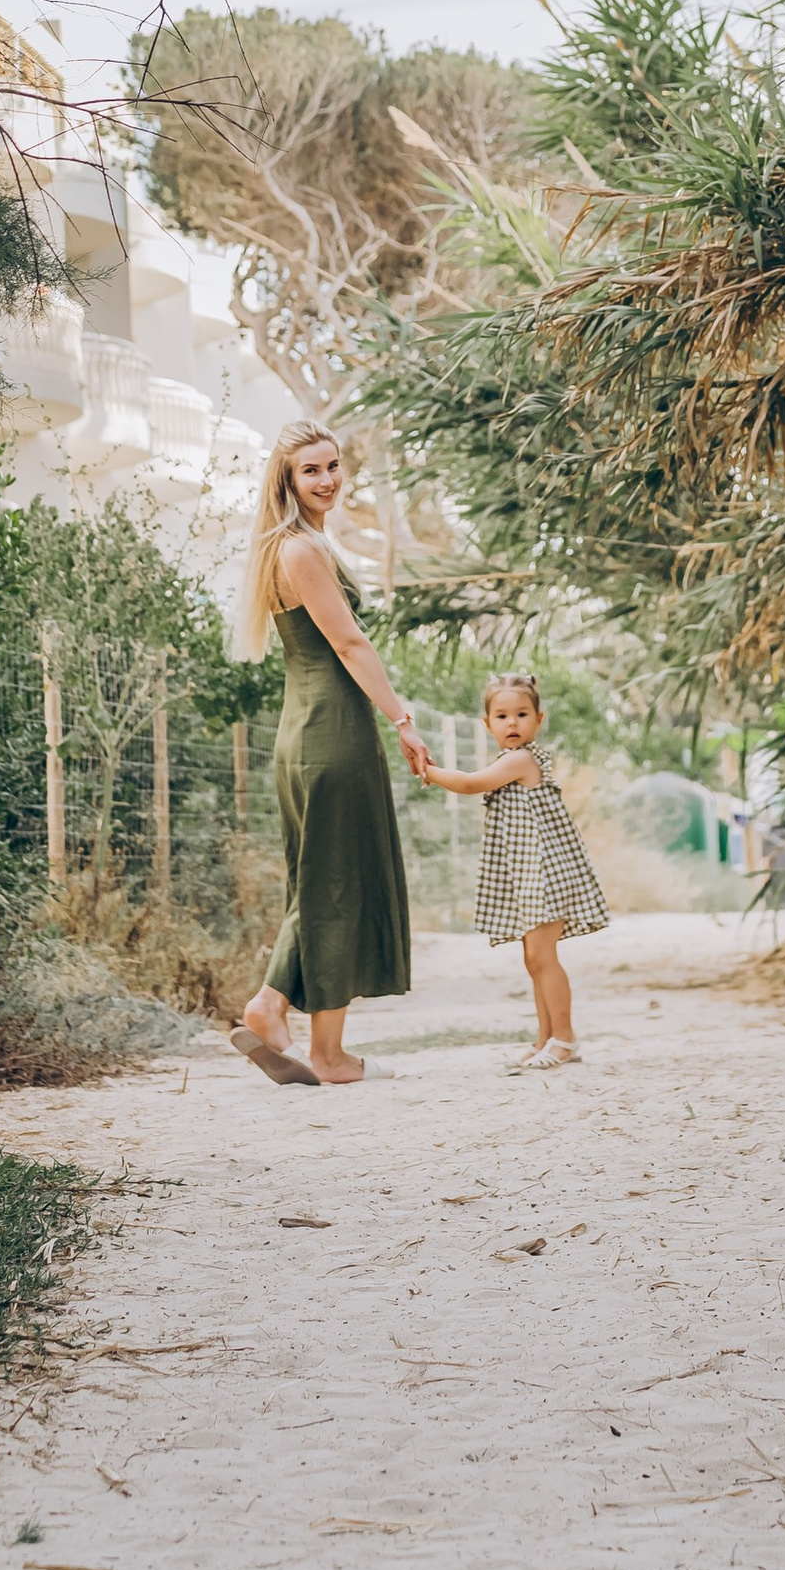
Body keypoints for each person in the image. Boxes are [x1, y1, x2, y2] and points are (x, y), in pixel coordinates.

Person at [228, 425, 430, 1089]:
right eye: (310, 471)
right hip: (331, 734)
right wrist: (402, 718)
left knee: (318, 882)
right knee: (334, 886)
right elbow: (350, 645)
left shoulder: (288, 547)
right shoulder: (302, 551)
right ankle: (319, 1046)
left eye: (333, 466)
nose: (327, 479)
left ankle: (279, 1011)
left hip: (307, 731)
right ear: (287, 482)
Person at [414, 671, 607, 1068]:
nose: (512, 723)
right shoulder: (508, 759)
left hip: (545, 873)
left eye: (522, 714)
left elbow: (470, 785)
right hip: (527, 875)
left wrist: (427, 771)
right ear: (487, 725)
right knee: (533, 958)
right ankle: (545, 1037)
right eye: (502, 716)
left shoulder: (520, 760)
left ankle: (566, 1038)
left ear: (539, 719)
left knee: (544, 956)